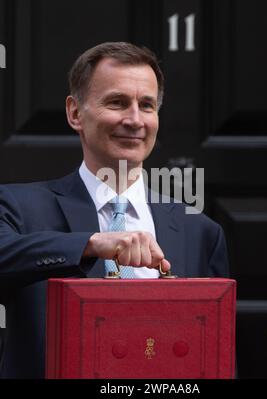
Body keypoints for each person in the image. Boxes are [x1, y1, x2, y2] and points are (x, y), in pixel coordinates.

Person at [0, 42, 229, 378]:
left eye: (147, 105)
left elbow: (217, 354)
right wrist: (91, 244)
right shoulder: (19, 207)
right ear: (75, 113)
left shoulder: (201, 231)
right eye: (117, 102)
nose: (134, 120)